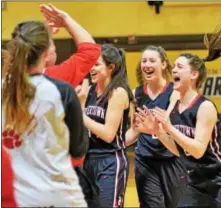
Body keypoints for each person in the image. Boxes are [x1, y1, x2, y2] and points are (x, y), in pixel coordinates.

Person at [135, 16, 221, 208]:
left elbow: (198, 150)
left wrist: (167, 127)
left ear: (193, 75)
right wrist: (157, 132)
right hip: (196, 182)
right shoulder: (174, 104)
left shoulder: (204, 107)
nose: (174, 69)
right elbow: (179, 150)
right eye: (174, 66)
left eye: (179, 67)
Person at [2, 20, 88, 207]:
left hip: (16, 195)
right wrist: (80, 106)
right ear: (46, 53)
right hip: (58, 195)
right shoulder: (62, 91)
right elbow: (78, 151)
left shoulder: (4, 90)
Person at [39, 4, 101, 207]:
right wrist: (66, 21)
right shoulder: (56, 78)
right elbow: (90, 50)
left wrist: (45, 33)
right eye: (53, 49)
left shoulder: (9, 83)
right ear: (45, 55)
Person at [125, 45, 188, 208]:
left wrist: (156, 128)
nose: (147, 64)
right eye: (144, 61)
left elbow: (173, 130)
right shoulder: (135, 94)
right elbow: (134, 131)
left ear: (164, 65)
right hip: (145, 161)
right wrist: (113, 144)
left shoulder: (174, 93)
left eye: (152, 60)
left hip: (171, 160)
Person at [78, 44, 134, 208]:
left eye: (96, 64)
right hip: (88, 158)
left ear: (111, 67)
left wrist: (80, 115)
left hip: (110, 160)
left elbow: (108, 134)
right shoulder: (88, 91)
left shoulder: (118, 93)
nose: (91, 68)